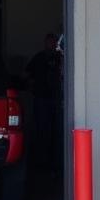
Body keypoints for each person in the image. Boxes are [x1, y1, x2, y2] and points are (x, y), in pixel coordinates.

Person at [25, 32, 63, 168]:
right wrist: (33, 88)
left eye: (53, 42)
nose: (51, 44)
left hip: (57, 100)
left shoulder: (60, 57)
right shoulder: (39, 58)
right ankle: (42, 163)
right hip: (41, 99)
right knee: (42, 131)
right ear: (45, 43)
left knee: (57, 132)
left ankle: (56, 163)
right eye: (49, 41)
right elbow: (28, 74)